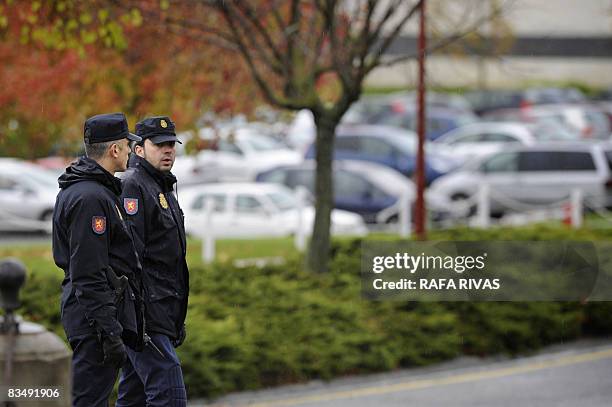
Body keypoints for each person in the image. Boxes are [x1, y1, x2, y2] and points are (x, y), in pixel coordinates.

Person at [52, 112, 145, 407]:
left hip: (93, 314)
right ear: (114, 150)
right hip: (93, 319)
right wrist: (108, 330)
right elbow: (88, 273)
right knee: (89, 401)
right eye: (126, 145)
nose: (131, 151)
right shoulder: (91, 197)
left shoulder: (92, 190)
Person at [116, 116, 189, 407]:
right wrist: (141, 317)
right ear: (139, 150)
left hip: (162, 309)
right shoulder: (135, 186)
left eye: (171, 143)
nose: (167, 150)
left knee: (133, 395)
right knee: (168, 392)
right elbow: (130, 258)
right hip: (146, 312)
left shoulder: (162, 186)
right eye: (159, 145)